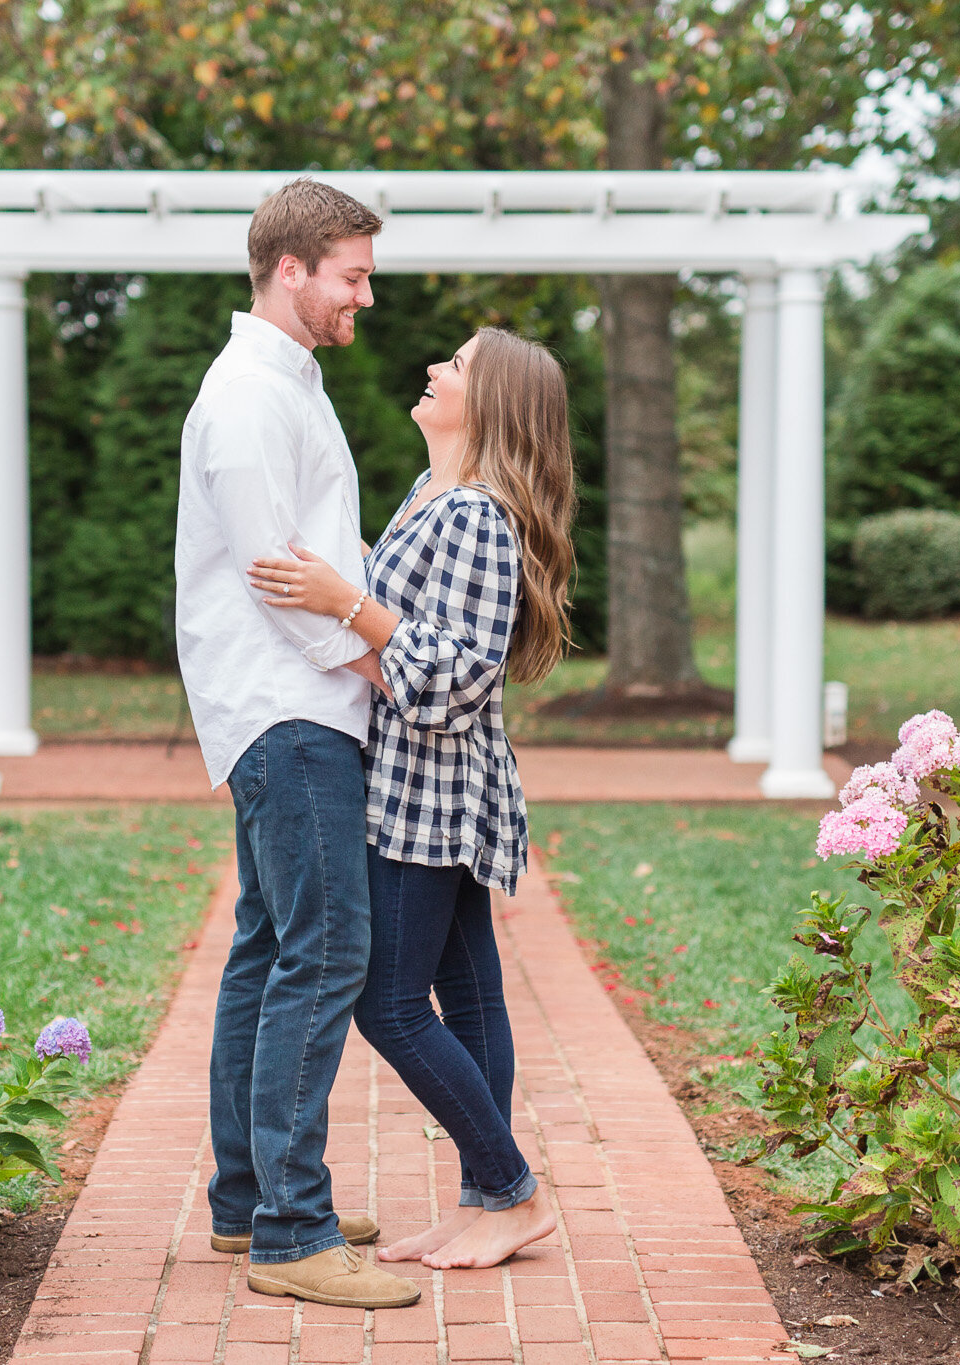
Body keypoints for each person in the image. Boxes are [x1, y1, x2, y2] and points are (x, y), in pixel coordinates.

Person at [248, 326, 578, 1269]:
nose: (433, 365)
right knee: (471, 995)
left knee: (389, 1003)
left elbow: (456, 677)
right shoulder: (431, 494)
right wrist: (340, 559)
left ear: (495, 404)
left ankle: (511, 1188)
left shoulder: (475, 513)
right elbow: (417, 611)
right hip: (425, 782)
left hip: (427, 788)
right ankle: (488, 1202)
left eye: (460, 365)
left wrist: (342, 601)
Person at [174, 177, 421, 1309]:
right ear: (292, 269)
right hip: (288, 708)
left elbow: (311, 552)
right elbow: (278, 573)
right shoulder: (245, 399)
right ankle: (290, 1233)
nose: (362, 297)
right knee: (322, 956)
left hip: (293, 705)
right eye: (352, 276)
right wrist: (383, 663)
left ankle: (247, 1204)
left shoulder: (285, 384)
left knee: (271, 951)